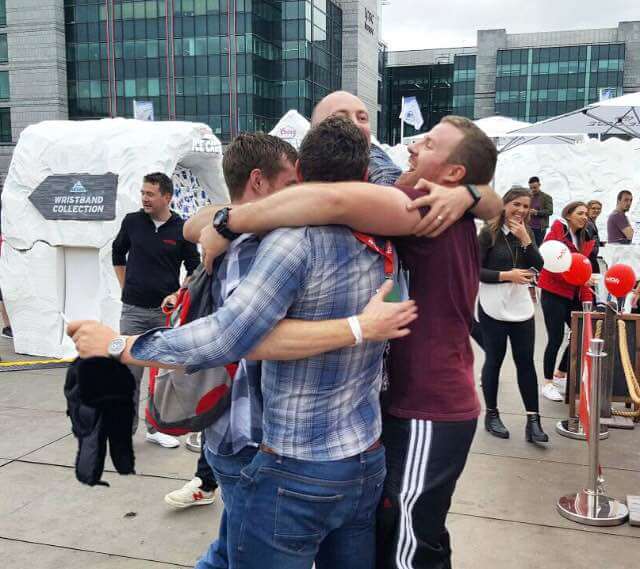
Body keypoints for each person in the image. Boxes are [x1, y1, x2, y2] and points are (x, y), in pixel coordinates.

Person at [69, 117, 419, 569]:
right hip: (363, 456)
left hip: (294, 464)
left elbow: (230, 336)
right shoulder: (394, 238)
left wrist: (119, 345)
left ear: (303, 172)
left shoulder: (291, 242)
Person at [191, 114, 501, 569]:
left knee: (409, 547)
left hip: (427, 406)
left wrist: (226, 223)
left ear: (453, 172)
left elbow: (332, 200)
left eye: (430, 144)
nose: (413, 146)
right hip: (395, 414)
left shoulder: (420, 203)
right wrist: (475, 194)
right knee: (408, 536)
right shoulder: (433, 200)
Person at [112, 172, 201, 449]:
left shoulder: (182, 229)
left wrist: (178, 294)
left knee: (160, 377)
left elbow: (195, 269)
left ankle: (155, 429)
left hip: (164, 314)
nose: (145, 198)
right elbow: (117, 253)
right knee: (128, 375)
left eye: (150, 194)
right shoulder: (132, 222)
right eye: (143, 193)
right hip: (133, 312)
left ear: (167, 197)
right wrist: (126, 286)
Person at [477, 187, 547, 442]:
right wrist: (507, 275)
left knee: (526, 362)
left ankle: (533, 421)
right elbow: (475, 270)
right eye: (516, 204)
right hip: (493, 304)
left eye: (526, 206)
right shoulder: (488, 233)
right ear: (504, 204)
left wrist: (527, 240)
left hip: (520, 305)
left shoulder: (526, 232)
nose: (521, 210)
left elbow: (538, 266)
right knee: (494, 360)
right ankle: (492, 414)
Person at [538, 202, 596, 401]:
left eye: (586, 214)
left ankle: (561, 373)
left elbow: (584, 269)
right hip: (553, 292)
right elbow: (551, 264)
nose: (585, 217)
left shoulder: (584, 238)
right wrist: (580, 279)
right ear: (568, 215)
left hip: (574, 293)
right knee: (555, 338)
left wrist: (588, 302)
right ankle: (547, 383)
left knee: (581, 333)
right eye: (580, 213)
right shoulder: (556, 233)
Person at [528, 176, 554, 246]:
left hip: (539, 229)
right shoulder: (528, 196)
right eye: (531, 188)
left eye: (535, 187)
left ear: (539, 185)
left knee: (537, 247)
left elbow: (550, 211)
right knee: (528, 246)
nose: (532, 190)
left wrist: (536, 212)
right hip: (528, 227)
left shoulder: (546, 197)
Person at [585, 199, 603, 273]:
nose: (596, 210)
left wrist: (601, 243)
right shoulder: (588, 224)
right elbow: (586, 241)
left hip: (592, 258)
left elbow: (592, 239)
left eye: (598, 209)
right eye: (593, 208)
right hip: (589, 259)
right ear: (587, 210)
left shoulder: (591, 222)